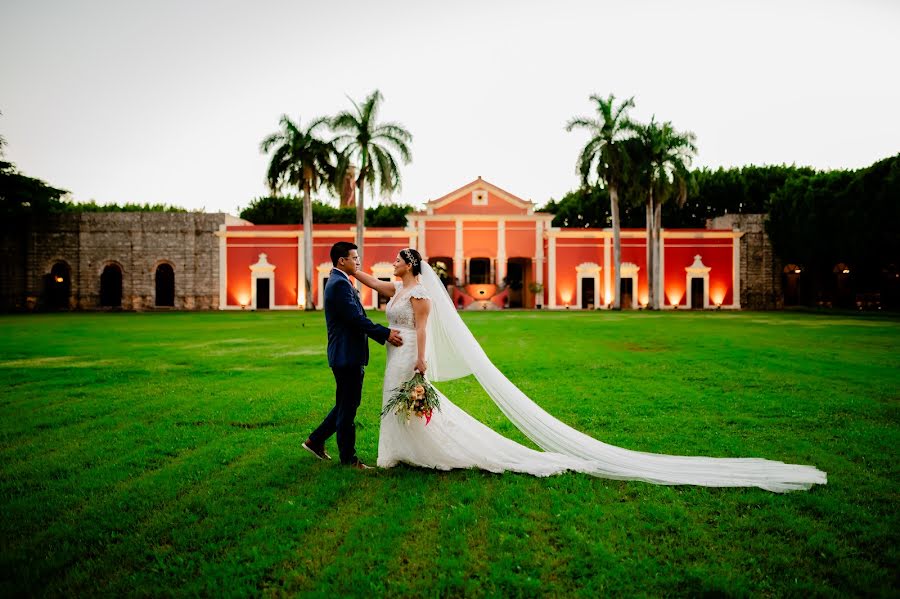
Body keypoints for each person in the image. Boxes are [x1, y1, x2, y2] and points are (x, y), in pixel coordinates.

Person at [353, 248, 827, 492]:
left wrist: (420, 366)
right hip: (393, 356)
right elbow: (374, 282)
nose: (390, 261)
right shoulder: (396, 288)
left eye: (397, 258)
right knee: (395, 409)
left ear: (411, 267)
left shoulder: (417, 296)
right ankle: (399, 452)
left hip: (407, 357)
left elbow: (424, 332)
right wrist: (347, 271)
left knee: (419, 409)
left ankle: (423, 451)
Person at [302, 242, 403, 470]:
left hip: (347, 353)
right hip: (346, 355)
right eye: (355, 258)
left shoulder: (340, 281)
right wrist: (385, 333)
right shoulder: (338, 284)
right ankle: (349, 460)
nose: (358, 262)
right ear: (342, 260)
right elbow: (355, 319)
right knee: (348, 408)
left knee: (346, 403)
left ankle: (315, 441)